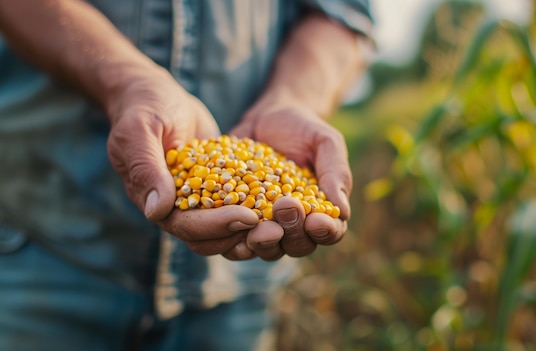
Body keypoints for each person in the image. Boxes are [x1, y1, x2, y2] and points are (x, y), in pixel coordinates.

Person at [0, 0, 374, 350]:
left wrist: (293, 99)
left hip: (237, 291)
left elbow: (343, 13)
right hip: (41, 249)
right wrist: (126, 80)